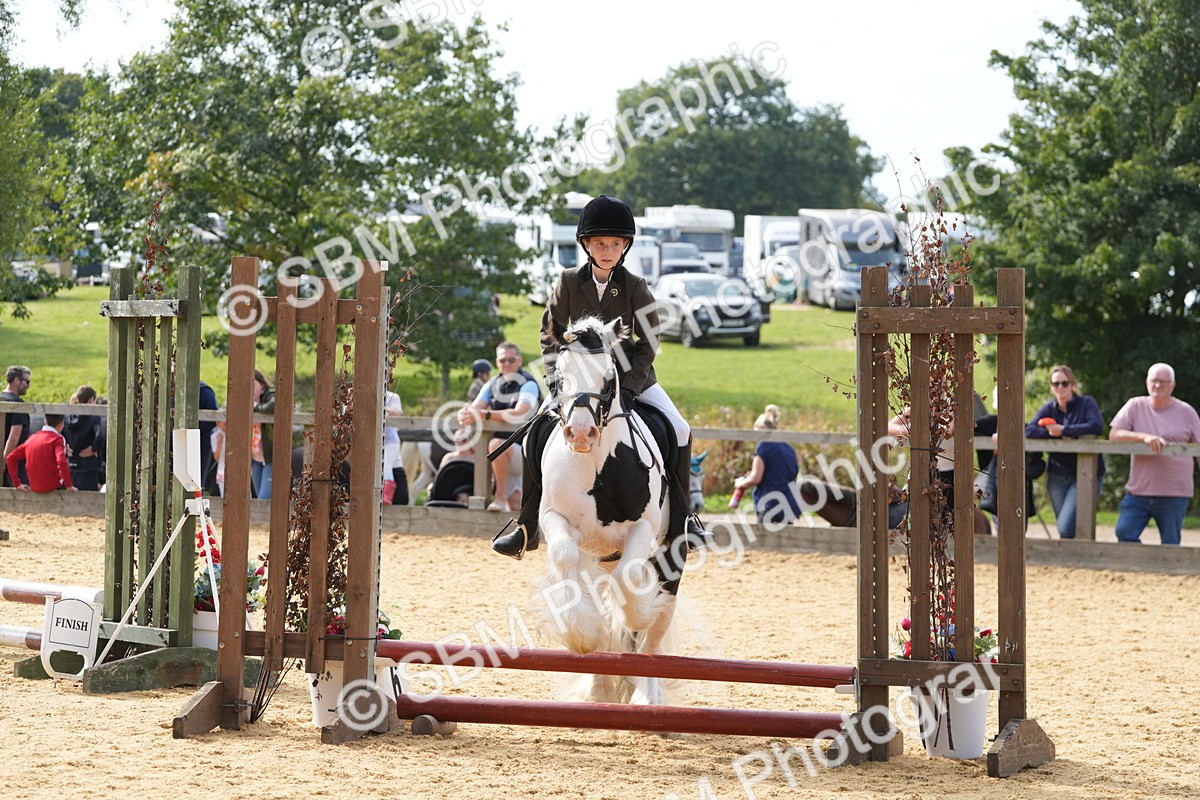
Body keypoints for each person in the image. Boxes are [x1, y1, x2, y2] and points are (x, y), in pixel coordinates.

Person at [492, 195, 707, 558]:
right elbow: (548, 334)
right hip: (576, 382)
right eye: (600, 244)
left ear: (625, 247)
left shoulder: (636, 286)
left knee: (680, 429)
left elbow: (649, 342)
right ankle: (526, 525)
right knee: (533, 435)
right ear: (586, 245)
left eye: (615, 244)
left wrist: (630, 389)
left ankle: (684, 520)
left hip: (629, 379)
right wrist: (556, 382)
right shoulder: (568, 282)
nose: (608, 251)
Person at [1108, 363, 1200, 545]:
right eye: (1154, 381)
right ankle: (1142, 563)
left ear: (1172, 385)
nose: (1158, 385)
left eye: (1163, 382)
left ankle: (1166, 566)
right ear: (1147, 383)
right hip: (1139, 491)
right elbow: (1114, 434)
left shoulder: (1187, 412)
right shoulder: (1135, 405)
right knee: (1124, 532)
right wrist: (1144, 438)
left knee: (1170, 543)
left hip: (1174, 492)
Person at [453, 342, 541, 513]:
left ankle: (499, 498)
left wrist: (484, 414)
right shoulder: (491, 384)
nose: (506, 364)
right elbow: (474, 408)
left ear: (519, 361)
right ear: (497, 362)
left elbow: (520, 412)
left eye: (511, 360)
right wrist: (464, 413)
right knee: (516, 507)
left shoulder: (529, 384)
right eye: (502, 360)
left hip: (526, 451)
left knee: (496, 445)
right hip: (504, 456)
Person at [1023, 364, 1106, 538]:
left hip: (1086, 474)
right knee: (1067, 530)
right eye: (1056, 384)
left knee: (1065, 526)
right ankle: (1076, 555)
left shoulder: (1086, 403)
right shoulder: (1049, 408)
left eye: (1064, 383)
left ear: (1072, 384)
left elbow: (1096, 426)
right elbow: (1029, 430)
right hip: (1058, 475)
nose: (1060, 387)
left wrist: (1063, 430)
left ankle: (1081, 552)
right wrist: (1056, 435)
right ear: (1051, 387)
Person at [732, 405, 802, 525]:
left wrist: (741, 483)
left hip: (770, 505)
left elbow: (756, 478)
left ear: (762, 428)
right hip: (789, 505)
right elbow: (785, 473)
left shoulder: (764, 445)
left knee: (763, 537)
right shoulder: (789, 448)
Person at [6, 413, 76, 493]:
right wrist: (69, 485)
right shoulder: (58, 439)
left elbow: (10, 457)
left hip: (34, 486)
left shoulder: (32, 438)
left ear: (45, 422)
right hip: (53, 485)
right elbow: (61, 460)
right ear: (62, 424)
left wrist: (17, 483)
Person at [63, 385, 104, 491]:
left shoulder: (67, 417)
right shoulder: (94, 417)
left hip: (71, 464)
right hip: (88, 465)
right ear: (91, 400)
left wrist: (65, 447)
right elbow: (99, 436)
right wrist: (93, 449)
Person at [1, 365, 32, 488]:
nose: (29, 385)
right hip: (13, 463)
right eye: (27, 381)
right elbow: (14, 437)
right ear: (17, 380)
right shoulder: (18, 404)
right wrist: (4, 461)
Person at [251, 370, 276, 499]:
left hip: (271, 457)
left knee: (263, 498)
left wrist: (256, 408)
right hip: (254, 458)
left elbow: (273, 405)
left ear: (262, 384)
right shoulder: (242, 398)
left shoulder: (269, 393)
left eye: (253, 383)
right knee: (257, 499)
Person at [382, 382, 404, 504]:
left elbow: (398, 413)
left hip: (390, 439)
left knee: (386, 465)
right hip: (370, 440)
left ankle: (387, 495)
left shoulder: (392, 396)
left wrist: (382, 408)